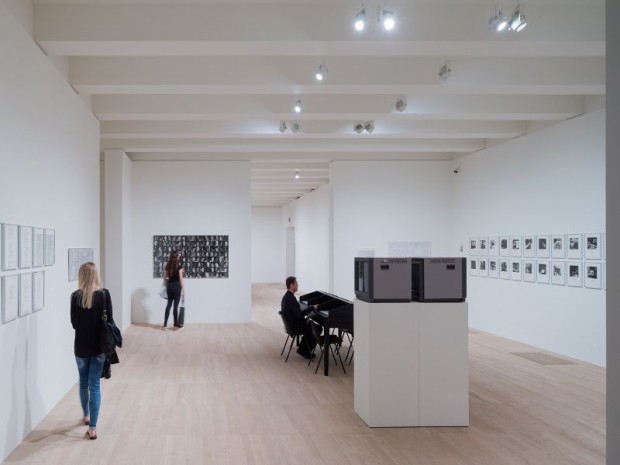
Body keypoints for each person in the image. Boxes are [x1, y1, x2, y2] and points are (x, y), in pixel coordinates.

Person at [70, 262, 113, 440]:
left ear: (81, 276)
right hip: (99, 348)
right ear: (95, 275)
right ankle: (93, 428)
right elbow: (110, 320)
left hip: (81, 346)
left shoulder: (75, 297)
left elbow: (74, 323)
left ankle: (86, 415)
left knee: (83, 382)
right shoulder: (104, 295)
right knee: (94, 385)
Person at [280, 276, 318, 359]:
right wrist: (312, 308)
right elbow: (300, 314)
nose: (298, 285)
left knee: (311, 326)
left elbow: (296, 314)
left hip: (291, 325)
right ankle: (304, 351)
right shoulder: (290, 299)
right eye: (296, 283)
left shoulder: (287, 297)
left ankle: (303, 349)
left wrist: (304, 319)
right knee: (317, 328)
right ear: (291, 285)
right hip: (295, 327)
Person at [163, 250, 185, 330]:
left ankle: (165, 324)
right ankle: (175, 323)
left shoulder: (167, 265)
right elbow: (181, 278)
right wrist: (183, 289)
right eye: (178, 255)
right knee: (175, 306)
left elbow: (165, 277)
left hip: (169, 286)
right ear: (176, 257)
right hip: (177, 287)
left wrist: (167, 282)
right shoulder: (179, 266)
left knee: (168, 305)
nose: (179, 256)